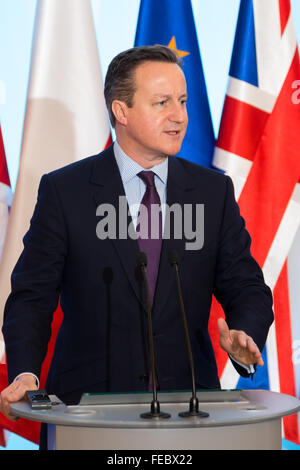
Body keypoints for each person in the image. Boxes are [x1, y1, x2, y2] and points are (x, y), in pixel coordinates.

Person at [0, 46, 273, 425]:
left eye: (182, 101)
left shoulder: (212, 193)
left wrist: (246, 334)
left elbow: (247, 287)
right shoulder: (67, 191)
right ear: (121, 111)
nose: (179, 116)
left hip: (191, 412)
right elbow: (32, 295)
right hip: (88, 413)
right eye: (162, 102)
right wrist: (25, 371)